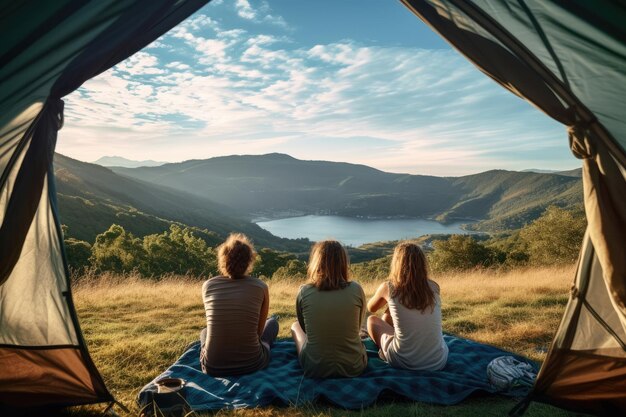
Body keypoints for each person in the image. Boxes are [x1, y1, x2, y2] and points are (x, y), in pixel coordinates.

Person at [199, 233, 279, 376]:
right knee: (272, 323)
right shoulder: (261, 287)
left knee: (205, 332)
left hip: (212, 367)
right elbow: (258, 334)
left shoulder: (208, 285)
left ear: (223, 260)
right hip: (252, 364)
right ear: (249, 261)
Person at [291, 240, 367, 378]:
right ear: (343, 263)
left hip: (315, 368)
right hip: (353, 368)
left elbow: (304, 328)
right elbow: (357, 326)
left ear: (317, 262)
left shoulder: (304, 291)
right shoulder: (356, 289)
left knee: (295, 326)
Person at [367, 242, 448, 371]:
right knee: (390, 313)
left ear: (397, 264)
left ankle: (385, 351)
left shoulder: (389, 287)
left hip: (404, 361)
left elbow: (371, 308)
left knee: (371, 320)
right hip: (438, 361)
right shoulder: (434, 287)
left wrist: (387, 300)